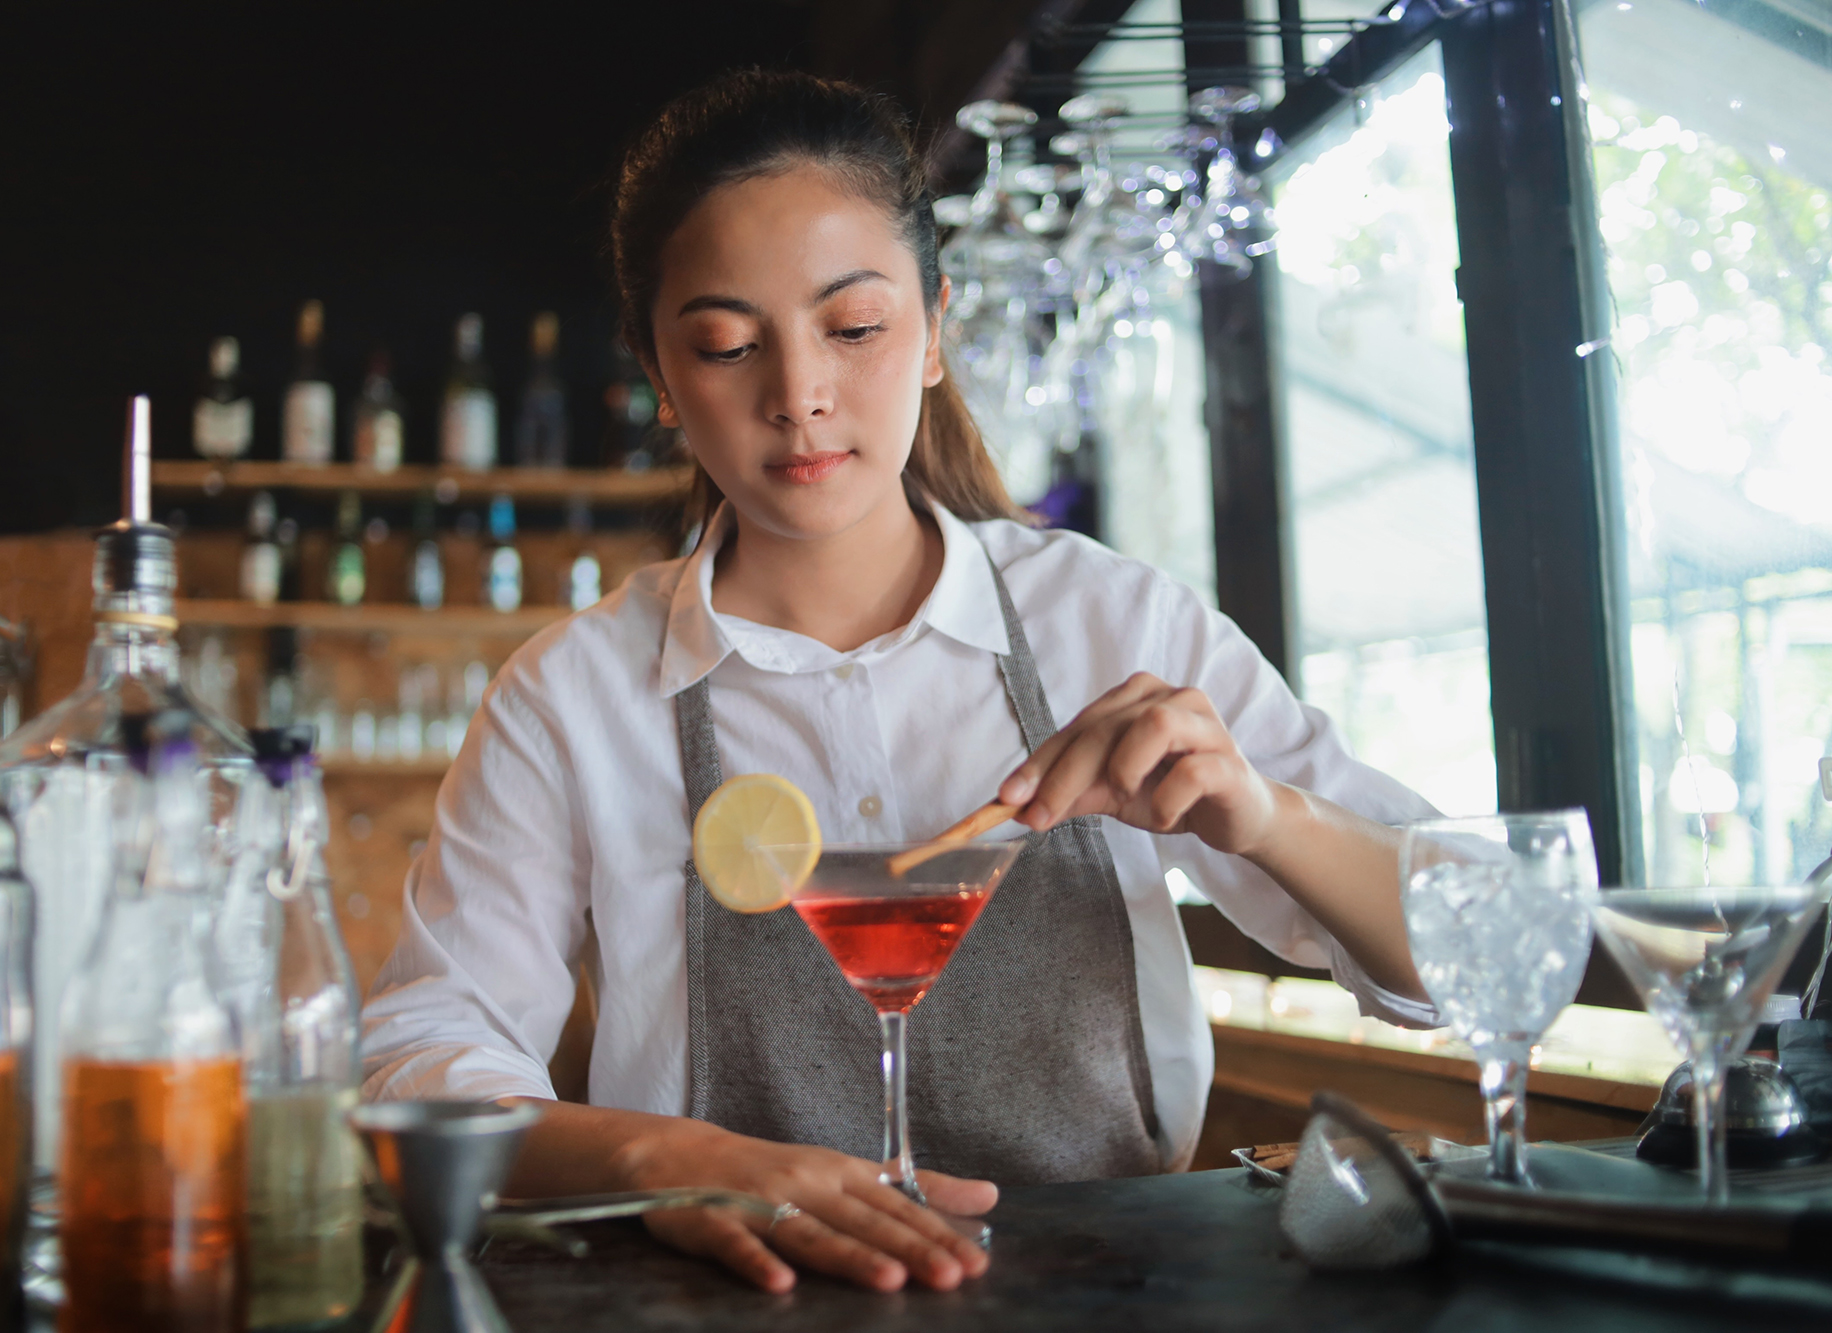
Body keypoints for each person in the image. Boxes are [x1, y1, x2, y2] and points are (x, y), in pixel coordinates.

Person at [361, 69, 1438, 1296]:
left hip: (1116, 1292)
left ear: (933, 328)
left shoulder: (1111, 621)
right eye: (724, 344)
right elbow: (416, 1059)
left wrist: (1263, 812)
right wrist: (672, 1158)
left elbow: (1455, 961)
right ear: (660, 377)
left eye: (854, 327)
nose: (799, 395)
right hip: (729, 1304)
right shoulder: (575, 696)